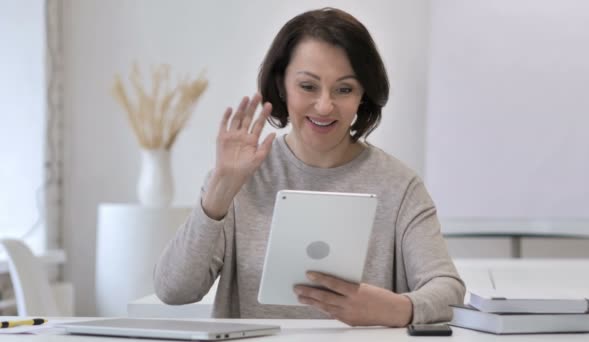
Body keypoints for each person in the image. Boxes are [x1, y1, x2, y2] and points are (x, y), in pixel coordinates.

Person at [153, 7, 465, 327]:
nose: (325, 105)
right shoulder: (238, 176)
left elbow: (449, 291)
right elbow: (173, 290)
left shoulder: (400, 185)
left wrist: (399, 309)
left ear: (362, 96)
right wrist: (219, 191)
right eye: (308, 86)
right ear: (282, 84)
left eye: (344, 89)